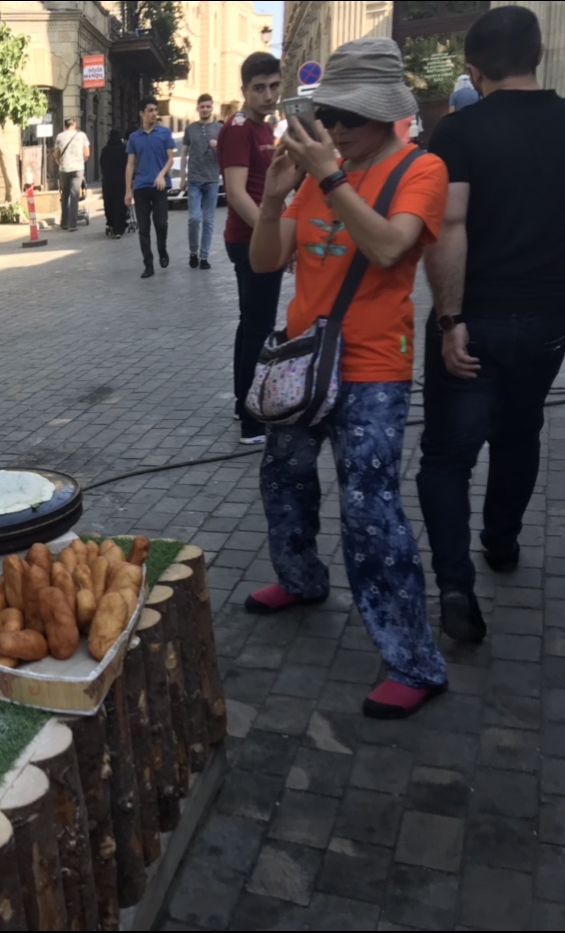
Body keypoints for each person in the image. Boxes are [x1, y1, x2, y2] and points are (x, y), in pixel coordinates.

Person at [246, 37, 450, 719]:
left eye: (346, 120)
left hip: (371, 368)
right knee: (283, 477)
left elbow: (391, 245)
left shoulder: (421, 169)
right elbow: (269, 261)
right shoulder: (313, 172)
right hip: (303, 361)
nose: (332, 131)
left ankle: (413, 660)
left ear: (387, 117)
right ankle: (300, 578)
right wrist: (276, 199)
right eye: (326, 116)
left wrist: (328, 176)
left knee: (369, 509)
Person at [418, 6, 565, 643]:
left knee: (447, 457)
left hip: (475, 319)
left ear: (474, 71)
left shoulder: (459, 133)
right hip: (547, 322)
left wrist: (449, 318)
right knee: (521, 433)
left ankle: (455, 586)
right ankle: (501, 543)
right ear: (536, 56)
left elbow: (449, 228)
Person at [219, 52, 284, 445]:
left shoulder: (265, 128)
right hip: (250, 241)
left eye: (274, 86)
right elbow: (237, 194)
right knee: (258, 327)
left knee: (251, 325)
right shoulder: (240, 129)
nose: (268, 94)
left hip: (254, 237)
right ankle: (250, 421)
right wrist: (272, 235)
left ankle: (243, 405)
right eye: (259, 88)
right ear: (243, 90)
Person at [124, 97, 176, 277]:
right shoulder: (134, 137)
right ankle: (148, 264)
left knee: (161, 223)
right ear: (142, 113)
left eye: (156, 110)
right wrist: (128, 191)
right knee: (144, 228)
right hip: (141, 187)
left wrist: (161, 175)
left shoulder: (164, 133)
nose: (154, 113)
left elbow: (170, 158)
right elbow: (130, 164)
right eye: (150, 110)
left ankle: (162, 249)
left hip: (160, 186)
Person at [180, 94, 224, 270]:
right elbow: (183, 153)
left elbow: (226, 154)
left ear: (212, 108)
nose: (205, 109)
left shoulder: (220, 129)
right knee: (194, 218)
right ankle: (193, 252)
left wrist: (217, 146)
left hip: (212, 180)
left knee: (209, 221)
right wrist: (183, 176)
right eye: (202, 106)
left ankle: (204, 256)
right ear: (197, 108)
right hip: (195, 180)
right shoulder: (190, 129)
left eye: (208, 106)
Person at [54, 118, 90, 231]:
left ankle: (64, 222)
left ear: (65, 125)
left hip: (64, 169)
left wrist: (60, 164)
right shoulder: (82, 135)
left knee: (65, 195)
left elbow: (55, 155)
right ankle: (73, 224)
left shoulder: (60, 136)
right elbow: (87, 153)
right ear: (74, 124)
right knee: (75, 195)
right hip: (78, 168)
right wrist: (80, 162)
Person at [100, 128, 129, 239]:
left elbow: (102, 165)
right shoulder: (124, 150)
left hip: (108, 182)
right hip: (121, 182)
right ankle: (119, 228)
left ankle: (112, 224)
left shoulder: (105, 150)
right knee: (120, 204)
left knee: (110, 204)